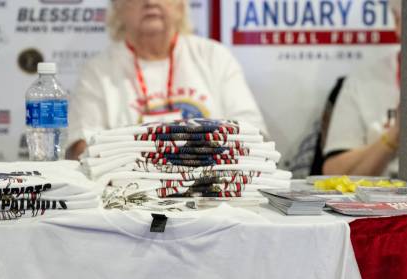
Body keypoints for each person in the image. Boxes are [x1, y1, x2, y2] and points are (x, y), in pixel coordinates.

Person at [66, 0, 267, 160]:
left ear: (181, 6)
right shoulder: (98, 70)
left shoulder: (214, 57)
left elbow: (253, 133)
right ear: (118, 9)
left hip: (213, 184)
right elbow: (81, 146)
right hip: (129, 191)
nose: (150, 2)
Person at [322, 0, 402, 176]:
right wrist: (394, 135)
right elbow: (333, 173)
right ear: (397, 22)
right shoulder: (362, 82)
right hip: (381, 191)